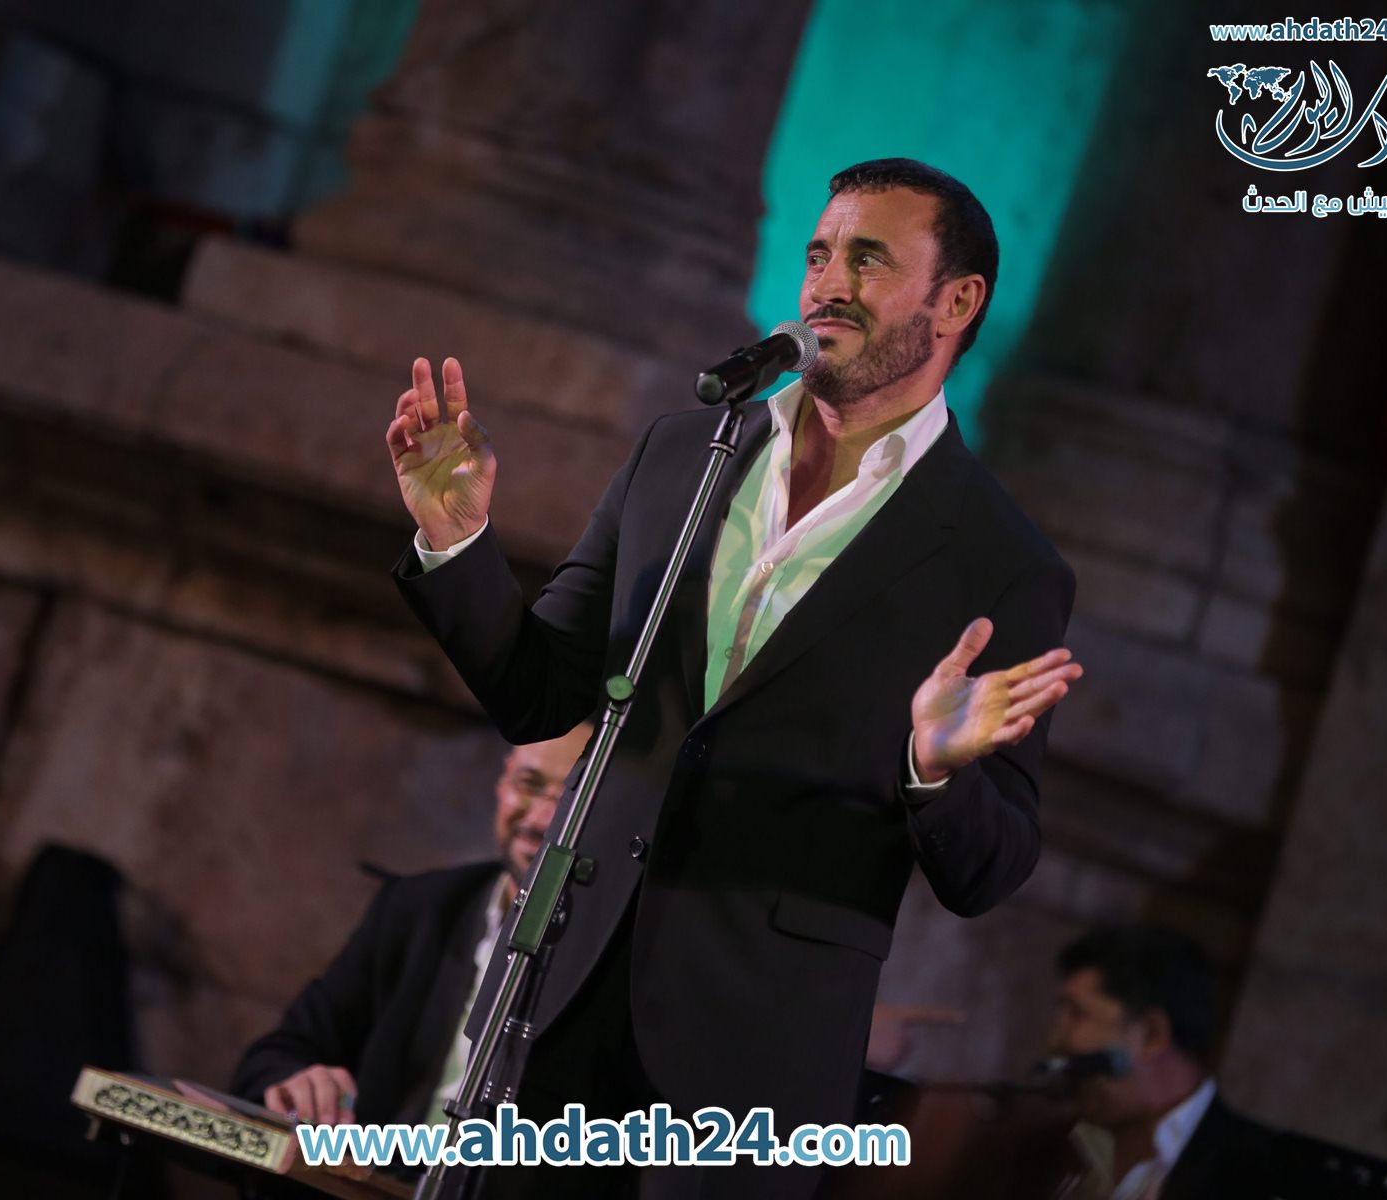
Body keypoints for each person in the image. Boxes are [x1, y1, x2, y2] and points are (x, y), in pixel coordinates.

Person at [385, 158, 1083, 1198]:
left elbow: (991, 868)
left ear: (957, 301)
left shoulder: (1001, 560)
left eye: (868, 258)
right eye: (819, 254)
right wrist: (459, 544)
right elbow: (541, 692)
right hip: (562, 999)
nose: (828, 283)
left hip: (751, 1065)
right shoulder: (683, 456)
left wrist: (933, 770)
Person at [231, 724, 594, 1130]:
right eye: (529, 784)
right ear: (502, 780)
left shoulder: (614, 963)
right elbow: (275, 1057)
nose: (542, 819)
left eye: (572, 799)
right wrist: (298, 1085)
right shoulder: (420, 909)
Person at [1049, 926, 1275, 1200]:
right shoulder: (1049, 1148)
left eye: (1076, 1014)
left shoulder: (1263, 1176)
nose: (1056, 1041)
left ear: (1152, 1035)